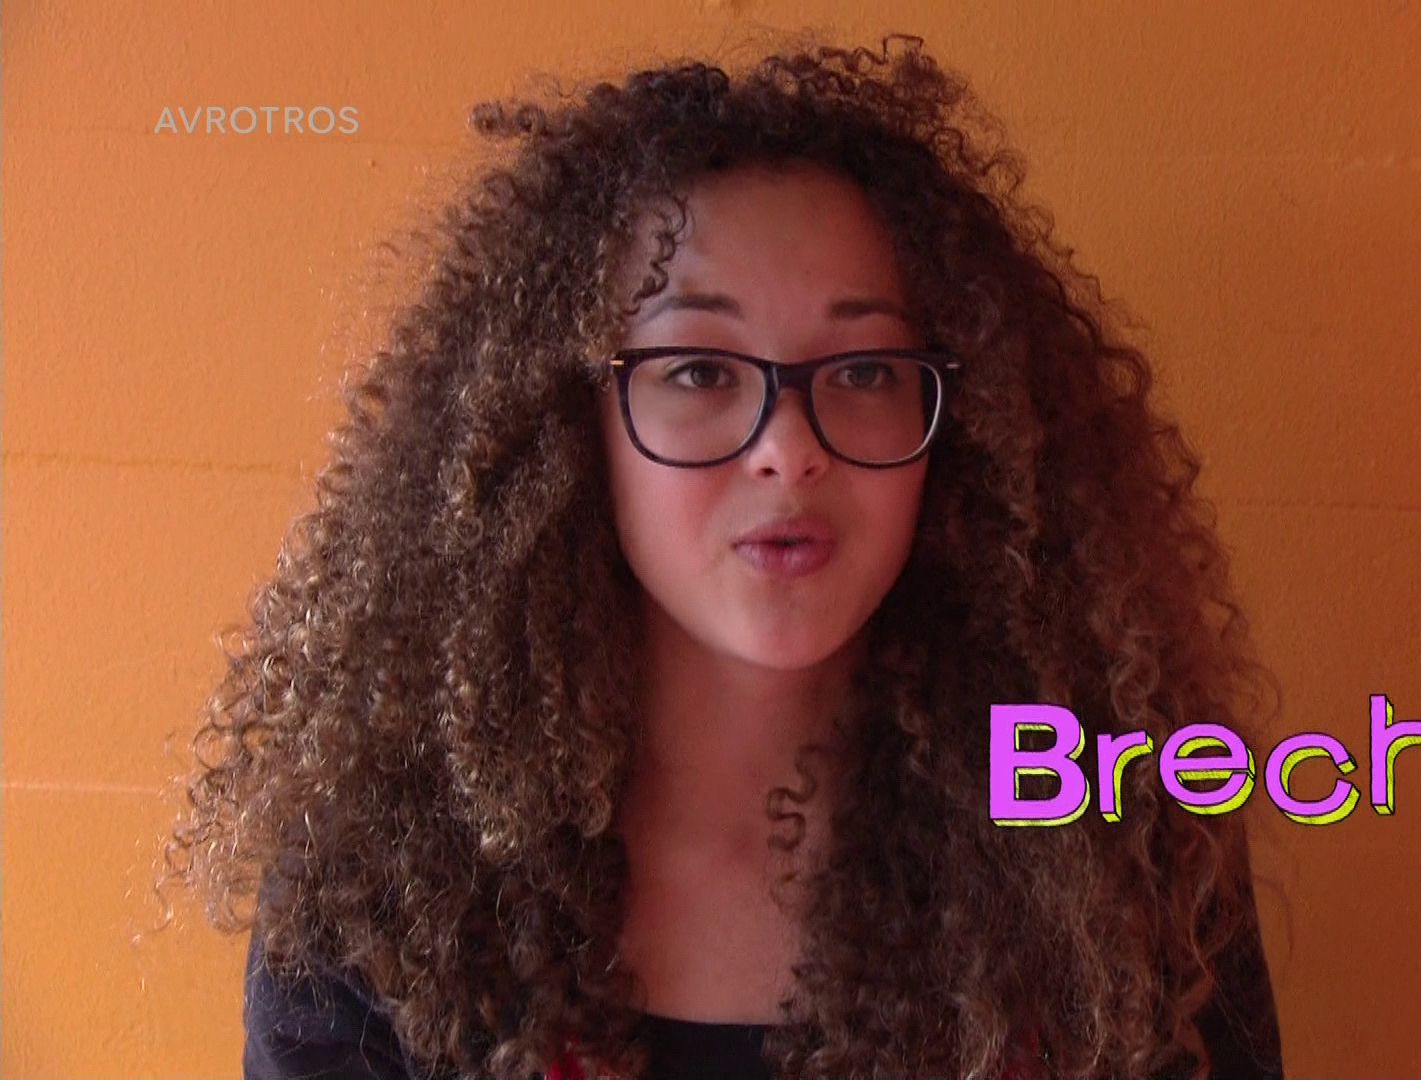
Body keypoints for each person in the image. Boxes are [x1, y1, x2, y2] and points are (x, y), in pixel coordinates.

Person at [161, 32, 1287, 1080]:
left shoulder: (1120, 847)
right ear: (567, 429)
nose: (788, 450)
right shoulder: (385, 887)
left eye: (864, 371)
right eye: (699, 371)